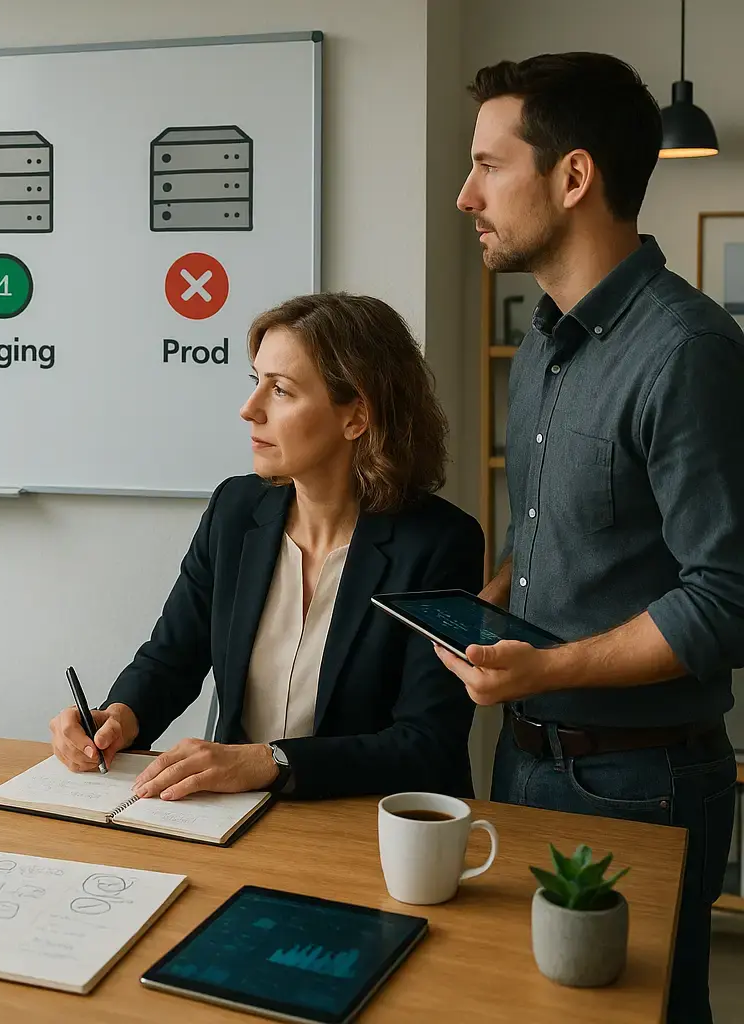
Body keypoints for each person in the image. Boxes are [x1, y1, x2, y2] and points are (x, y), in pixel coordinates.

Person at [447, 53, 744, 1023]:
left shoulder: (688, 351)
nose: (466, 195)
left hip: (639, 782)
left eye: (490, 166)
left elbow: (726, 597)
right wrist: (496, 595)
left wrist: (550, 664)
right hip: (524, 758)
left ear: (574, 178)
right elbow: (561, 533)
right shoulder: (545, 340)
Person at [49, 293, 484, 802]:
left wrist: (270, 761)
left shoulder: (439, 543)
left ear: (356, 417)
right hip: (233, 816)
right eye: (256, 382)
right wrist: (119, 716)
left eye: (281, 390)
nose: (249, 409)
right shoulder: (235, 510)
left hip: (365, 825)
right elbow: (172, 658)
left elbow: (427, 744)